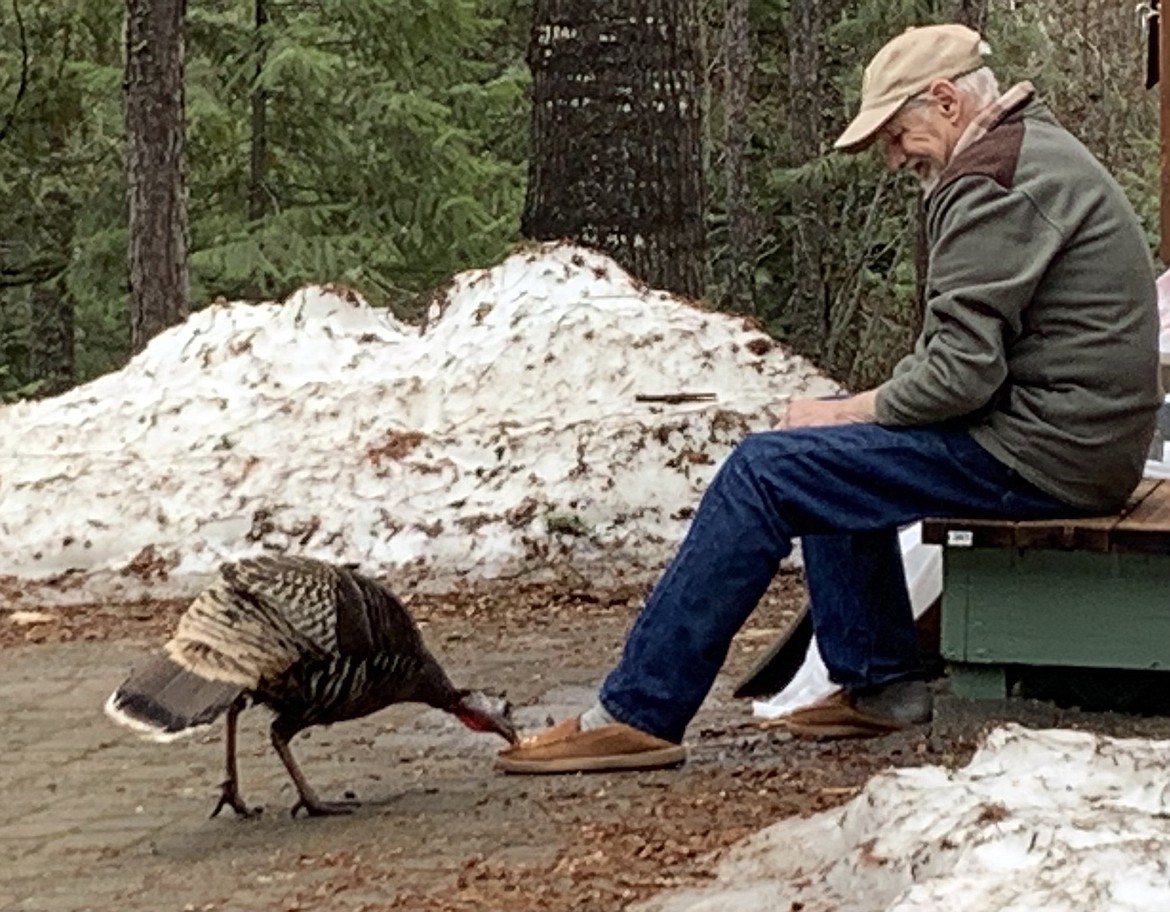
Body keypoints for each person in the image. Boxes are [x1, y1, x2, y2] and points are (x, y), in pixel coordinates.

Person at [496, 23, 1162, 774]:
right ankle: (880, 686)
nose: (891, 156)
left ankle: (637, 712)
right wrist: (846, 414)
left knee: (770, 468)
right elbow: (964, 368)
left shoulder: (990, 183)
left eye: (895, 133)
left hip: (1046, 453)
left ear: (944, 100)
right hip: (1071, 439)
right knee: (824, 456)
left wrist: (844, 411)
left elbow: (958, 377)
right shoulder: (1023, 152)